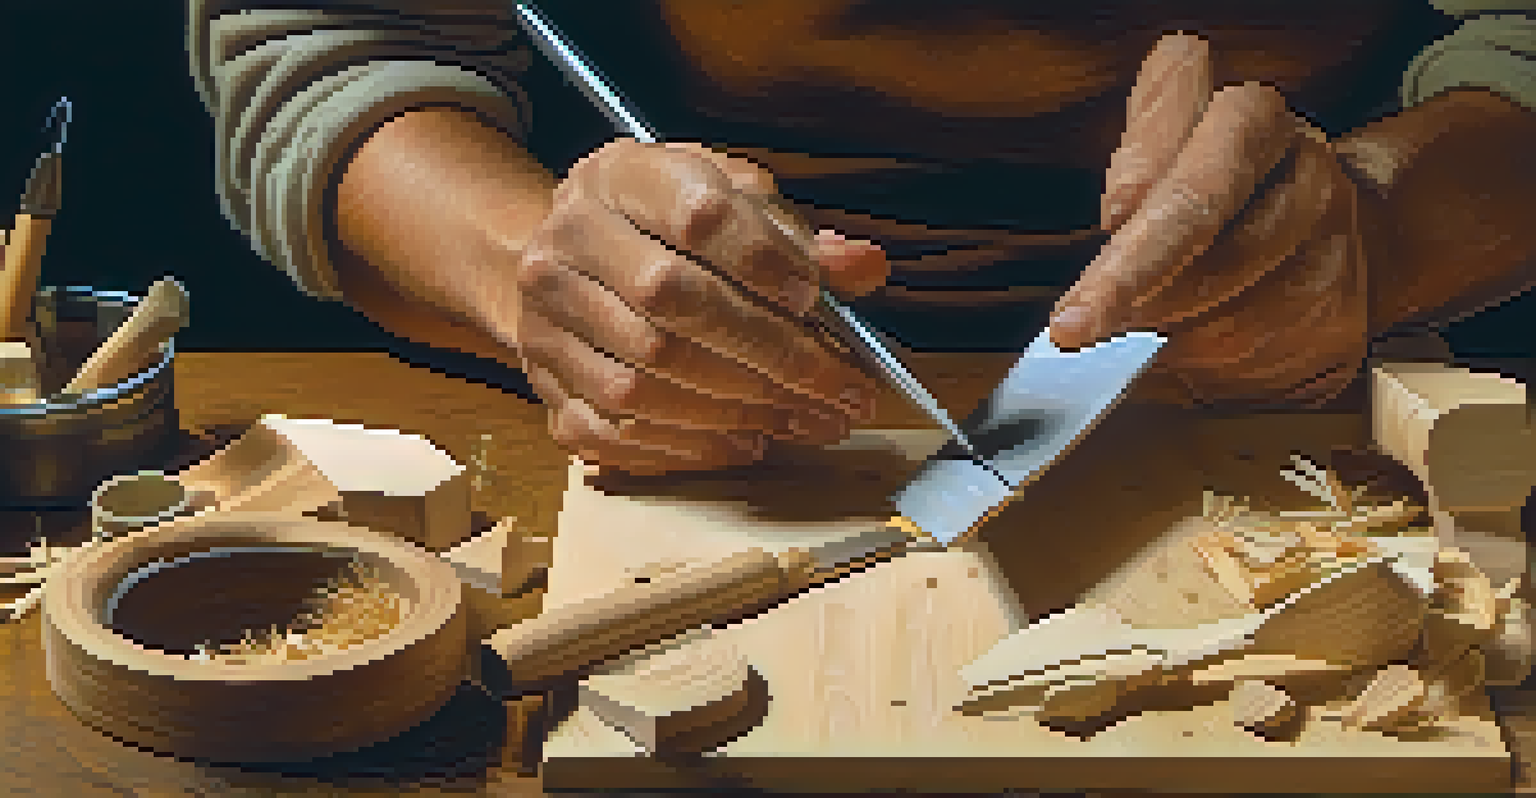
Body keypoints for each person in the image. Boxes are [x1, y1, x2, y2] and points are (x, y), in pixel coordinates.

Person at [188, 1, 1536, 475]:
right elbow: (337, 36)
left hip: (1314, 390)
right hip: (699, 416)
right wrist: (541, 267)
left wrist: (1382, 226)